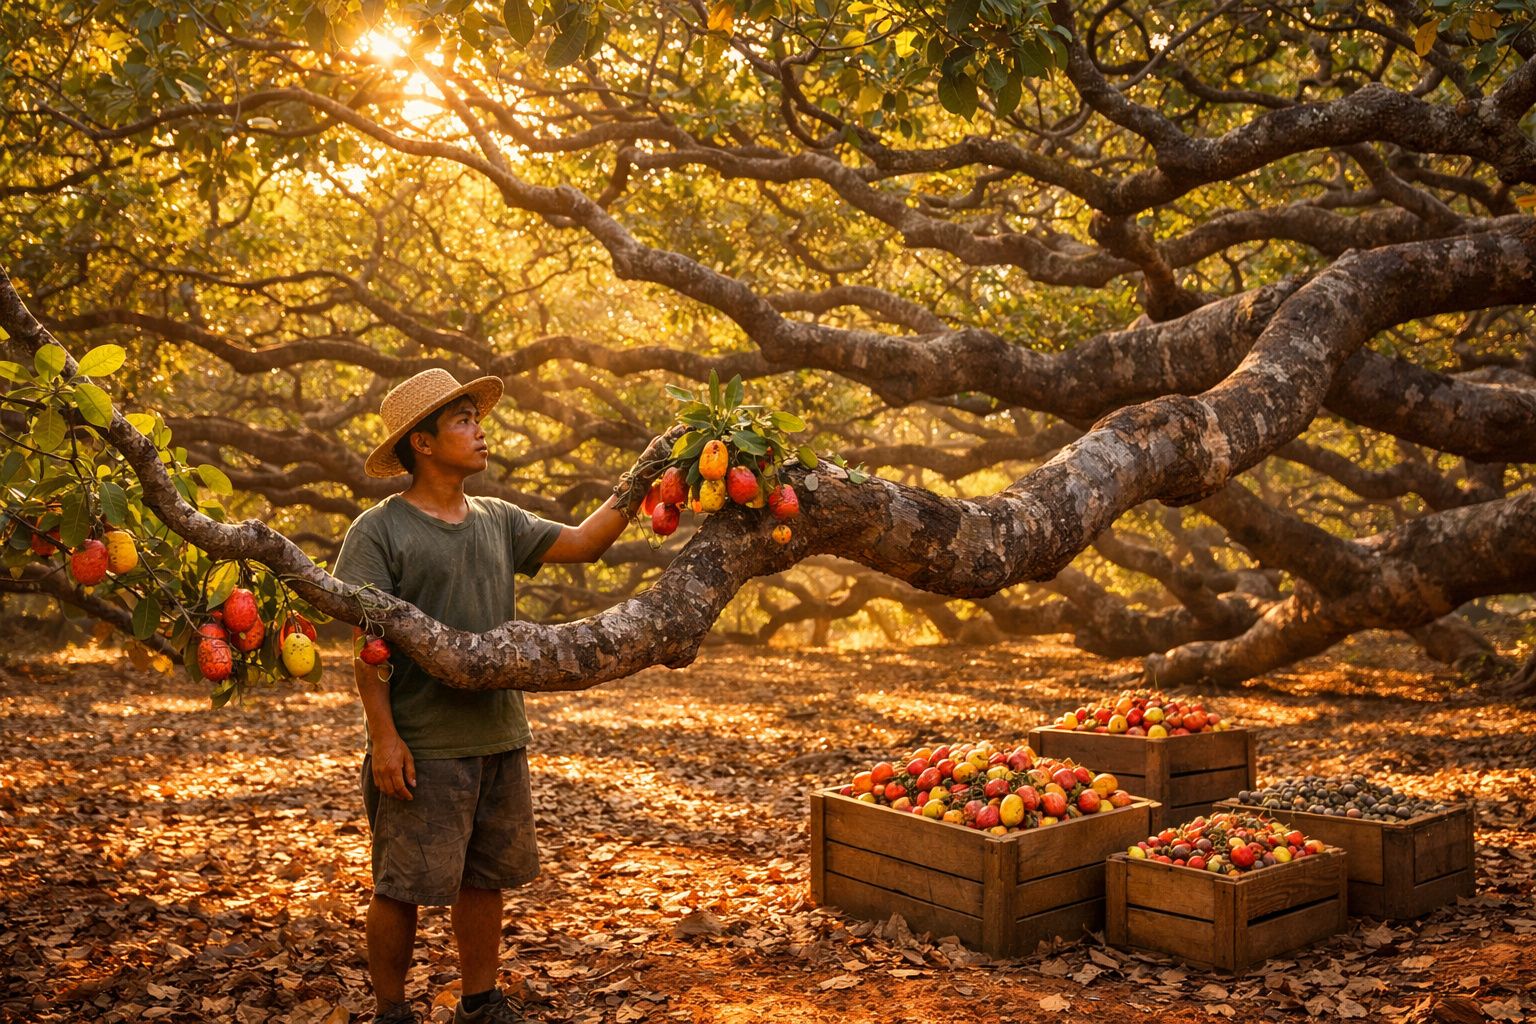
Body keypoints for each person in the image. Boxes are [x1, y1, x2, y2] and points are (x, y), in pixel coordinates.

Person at [334, 368, 637, 1024]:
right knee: (400, 888)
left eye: (477, 417)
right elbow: (368, 646)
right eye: (464, 421)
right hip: (424, 745)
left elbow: (587, 542)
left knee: (486, 879)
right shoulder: (379, 531)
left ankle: (480, 1003)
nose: (480, 430)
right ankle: (391, 1011)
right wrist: (384, 738)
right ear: (423, 443)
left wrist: (648, 476)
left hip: (499, 735)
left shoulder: (499, 520)